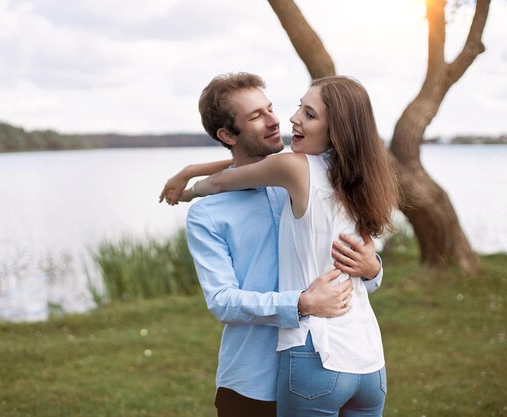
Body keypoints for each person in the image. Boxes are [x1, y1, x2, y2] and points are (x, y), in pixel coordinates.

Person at [159, 73, 388, 417]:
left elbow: (357, 274)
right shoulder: (207, 215)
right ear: (226, 135)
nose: (275, 120)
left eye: (270, 108)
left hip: (328, 359)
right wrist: (302, 303)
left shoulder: (302, 180)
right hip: (253, 382)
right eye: (255, 116)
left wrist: (373, 269)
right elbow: (222, 301)